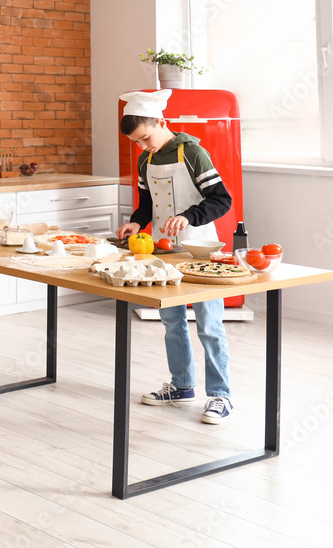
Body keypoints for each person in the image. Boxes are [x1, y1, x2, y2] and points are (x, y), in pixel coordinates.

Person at [115, 89, 235, 424]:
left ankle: (221, 396)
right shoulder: (146, 161)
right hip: (163, 250)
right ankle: (182, 386)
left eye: (146, 138)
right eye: (138, 142)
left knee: (210, 324)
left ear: (161, 122)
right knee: (171, 321)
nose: (144, 147)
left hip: (199, 249)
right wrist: (135, 222)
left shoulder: (193, 152)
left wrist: (190, 216)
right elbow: (147, 205)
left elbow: (220, 199)